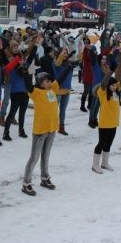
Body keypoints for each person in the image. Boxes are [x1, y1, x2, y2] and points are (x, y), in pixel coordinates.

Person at [21, 40, 72, 195]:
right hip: (40, 131)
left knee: (46, 156)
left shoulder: (52, 89)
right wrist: (25, 72)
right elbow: (28, 85)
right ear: (40, 83)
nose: (49, 82)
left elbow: (61, 78)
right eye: (45, 81)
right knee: (34, 158)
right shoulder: (36, 93)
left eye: (49, 80)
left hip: (51, 129)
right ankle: (26, 182)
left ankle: (44, 178)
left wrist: (68, 65)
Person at [92, 68, 121, 174]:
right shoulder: (102, 93)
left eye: (115, 85)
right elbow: (104, 83)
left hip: (113, 124)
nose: (114, 86)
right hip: (104, 124)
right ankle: (95, 165)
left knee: (108, 144)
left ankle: (104, 163)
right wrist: (111, 71)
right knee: (101, 143)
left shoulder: (116, 92)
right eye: (112, 85)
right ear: (108, 86)